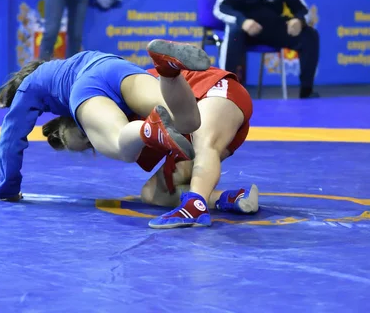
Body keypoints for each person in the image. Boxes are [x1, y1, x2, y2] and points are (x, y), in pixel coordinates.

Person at [0, 40, 211, 202]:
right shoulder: (67, 63)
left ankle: (147, 130)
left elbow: (11, 139)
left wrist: (9, 185)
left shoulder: (29, 87)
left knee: (121, 146)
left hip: (87, 85)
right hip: (114, 66)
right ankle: (169, 72)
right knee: (187, 121)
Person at [43, 66, 259, 229]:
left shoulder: (117, 90)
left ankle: (195, 206)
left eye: (86, 133)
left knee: (204, 142)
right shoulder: (124, 130)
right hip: (197, 125)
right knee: (153, 193)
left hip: (212, 91)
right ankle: (229, 198)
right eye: (89, 144)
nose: (94, 139)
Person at [214, 0, 320, 98]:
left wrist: (298, 20)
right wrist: (243, 21)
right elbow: (220, 8)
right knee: (234, 32)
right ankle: (226, 91)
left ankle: (307, 91)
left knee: (310, 35)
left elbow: (302, 9)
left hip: (273, 30)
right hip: (246, 32)